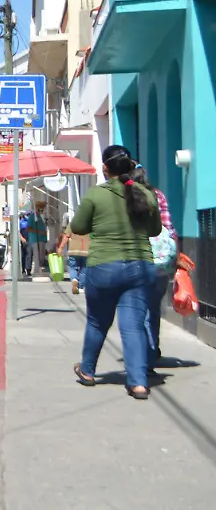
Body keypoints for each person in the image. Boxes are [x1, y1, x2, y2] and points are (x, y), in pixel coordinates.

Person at [70, 144, 161, 400]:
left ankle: (87, 371)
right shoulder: (146, 193)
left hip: (104, 267)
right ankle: (139, 383)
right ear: (131, 166)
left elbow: (78, 227)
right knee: (132, 327)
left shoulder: (95, 195)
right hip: (140, 267)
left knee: (98, 322)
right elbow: (155, 231)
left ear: (105, 168)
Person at [130, 165, 178, 375]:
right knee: (153, 310)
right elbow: (169, 228)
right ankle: (151, 353)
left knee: (135, 311)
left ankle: (142, 355)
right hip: (159, 260)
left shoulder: (126, 197)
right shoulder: (158, 195)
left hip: (134, 258)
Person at [57, 223, 89, 295]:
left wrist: (61, 247)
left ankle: (74, 279)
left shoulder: (72, 224)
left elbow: (66, 237)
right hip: (86, 251)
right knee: (84, 268)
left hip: (73, 250)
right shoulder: (90, 224)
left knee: (73, 267)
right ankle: (81, 287)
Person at [29, 202, 49, 275]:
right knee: (37, 256)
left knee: (41, 256)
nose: (43, 209)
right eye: (42, 208)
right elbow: (29, 228)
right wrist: (39, 231)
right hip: (36, 239)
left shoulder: (42, 217)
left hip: (42, 239)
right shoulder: (33, 216)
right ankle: (37, 272)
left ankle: (39, 270)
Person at [19, 212, 32, 277]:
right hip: (23, 240)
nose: (28, 216)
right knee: (23, 256)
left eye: (29, 215)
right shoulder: (21, 222)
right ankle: (23, 270)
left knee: (29, 255)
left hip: (30, 240)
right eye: (27, 215)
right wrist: (21, 238)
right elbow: (18, 232)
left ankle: (28, 270)